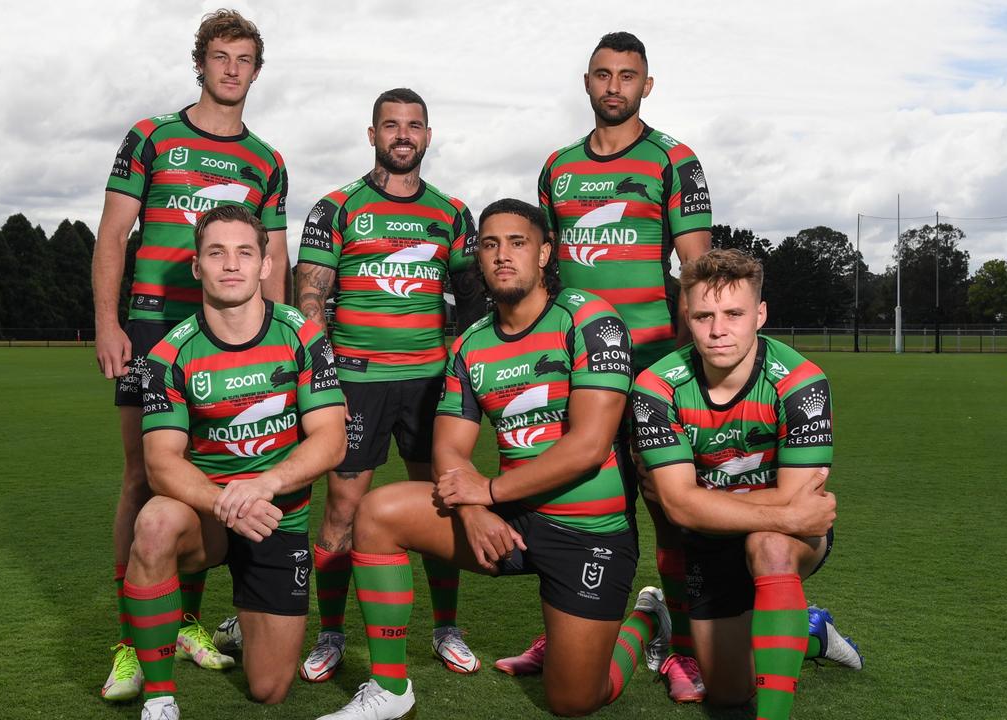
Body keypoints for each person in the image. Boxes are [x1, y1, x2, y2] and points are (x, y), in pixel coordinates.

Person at [317, 199, 670, 720]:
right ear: (478, 259)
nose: (503, 255)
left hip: (588, 531)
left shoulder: (591, 319)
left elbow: (588, 446)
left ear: (546, 252)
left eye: (517, 242)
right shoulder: (471, 344)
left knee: (574, 701)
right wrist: (472, 510)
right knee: (377, 512)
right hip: (507, 520)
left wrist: (489, 493)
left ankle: (646, 615)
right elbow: (449, 449)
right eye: (490, 244)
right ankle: (390, 689)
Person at [500, 29, 715, 698]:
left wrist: (683, 370)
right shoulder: (557, 167)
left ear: (646, 85)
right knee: (569, 498)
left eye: (628, 75)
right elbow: (550, 269)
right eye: (603, 74)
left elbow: (697, 270)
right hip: (578, 368)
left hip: (651, 367)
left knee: (665, 506)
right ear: (587, 83)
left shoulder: (674, 159)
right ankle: (567, 630)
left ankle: (683, 642)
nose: (614, 85)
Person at [92, 9, 289, 701]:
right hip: (152, 328)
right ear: (200, 64)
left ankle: (189, 621)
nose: (231, 69)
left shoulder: (267, 160)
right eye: (220, 56)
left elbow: (275, 257)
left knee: (214, 475)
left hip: (237, 336)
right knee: (143, 479)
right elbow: (114, 234)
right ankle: (129, 639)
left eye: (244, 59)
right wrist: (108, 321)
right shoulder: (151, 137)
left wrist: (281, 334)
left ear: (256, 72)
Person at [264, 87, 485, 681]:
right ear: (372, 135)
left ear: (428, 136)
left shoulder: (452, 212)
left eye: (414, 125)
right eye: (391, 125)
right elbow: (309, 298)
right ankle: (331, 635)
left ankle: (446, 628)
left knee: (444, 501)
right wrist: (321, 379)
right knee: (341, 508)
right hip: (356, 384)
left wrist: (464, 370)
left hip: (431, 385)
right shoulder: (337, 208)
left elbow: (470, 302)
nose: (403, 135)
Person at [125, 205, 345, 720]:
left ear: (266, 265)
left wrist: (264, 485)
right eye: (216, 253)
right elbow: (160, 463)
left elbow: (331, 440)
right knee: (154, 522)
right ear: (197, 267)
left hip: (276, 519)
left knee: (270, 689)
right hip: (208, 517)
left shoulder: (302, 335)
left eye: (245, 252)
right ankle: (160, 698)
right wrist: (228, 502)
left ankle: (240, 622)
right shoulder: (168, 355)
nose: (231, 264)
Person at [632, 249, 861, 719]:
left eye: (734, 313)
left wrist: (706, 502)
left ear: (760, 314)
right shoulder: (656, 387)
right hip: (707, 542)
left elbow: (802, 504)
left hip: (787, 536)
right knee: (727, 693)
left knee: (770, 543)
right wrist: (781, 511)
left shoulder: (800, 382)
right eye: (704, 315)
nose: (718, 330)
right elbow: (676, 507)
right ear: (688, 317)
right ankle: (810, 630)